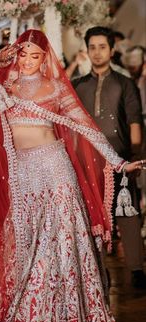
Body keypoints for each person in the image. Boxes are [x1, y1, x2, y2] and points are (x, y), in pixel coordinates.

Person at [0, 29, 144, 322]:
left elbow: (85, 126)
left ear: (45, 58)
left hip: (55, 169)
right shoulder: (2, 85)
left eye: (34, 55)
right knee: (26, 245)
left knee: (62, 243)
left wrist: (118, 162)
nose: (26, 61)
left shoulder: (55, 89)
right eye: (22, 54)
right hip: (23, 173)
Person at [72, 26, 146, 288]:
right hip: (86, 160)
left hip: (120, 157)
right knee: (92, 213)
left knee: (127, 211)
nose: (98, 52)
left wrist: (135, 154)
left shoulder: (124, 84)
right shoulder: (78, 86)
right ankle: (95, 267)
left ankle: (137, 269)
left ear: (112, 50)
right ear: (87, 50)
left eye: (102, 47)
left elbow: (135, 121)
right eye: (92, 47)